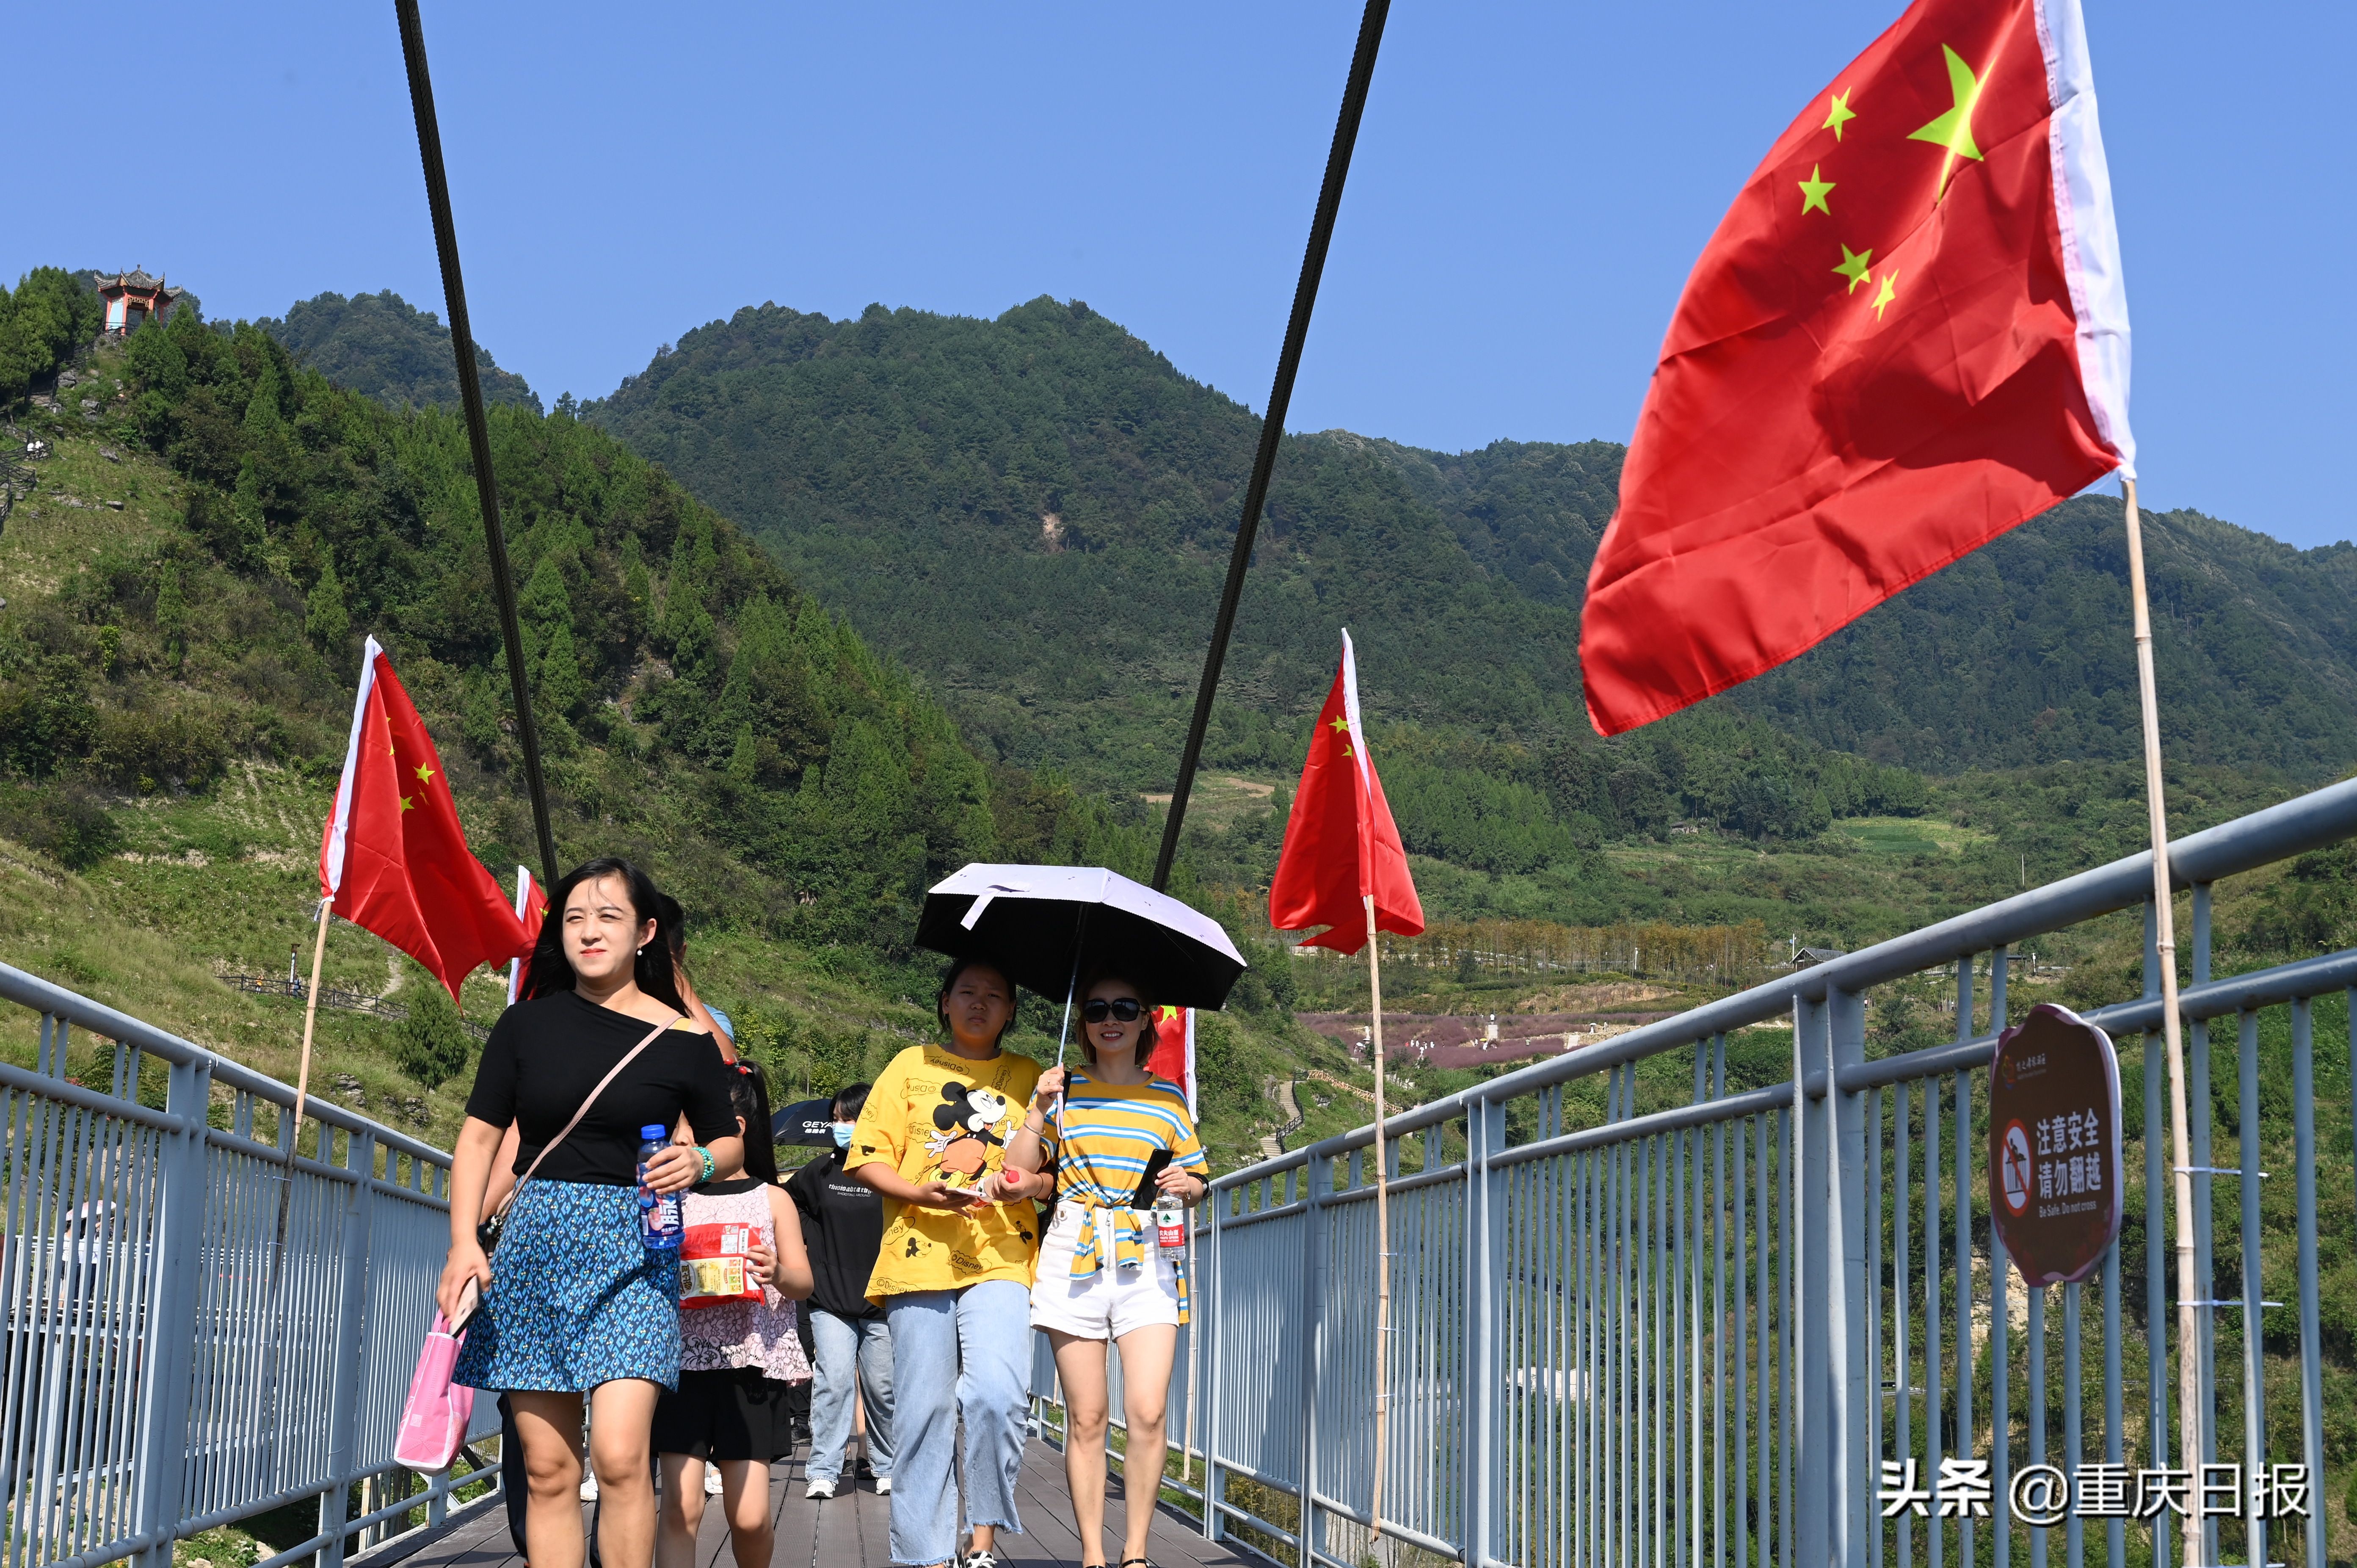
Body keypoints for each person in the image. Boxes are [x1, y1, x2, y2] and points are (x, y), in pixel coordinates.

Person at [439, 858, 744, 1568]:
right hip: (534, 1250)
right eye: (574, 917)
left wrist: (700, 1162)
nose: (588, 930)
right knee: (547, 1468)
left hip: (636, 1250)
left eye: (608, 916)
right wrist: (462, 1242)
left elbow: (727, 1140)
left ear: (644, 932)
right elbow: (479, 1138)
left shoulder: (684, 1038)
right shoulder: (524, 1026)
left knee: (618, 1454)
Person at [846, 957, 1050, 1568]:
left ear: (1013, 1010)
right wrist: (919, 1193)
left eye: (995, 995)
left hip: (1002, 1256)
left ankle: (981, 1536)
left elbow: (1052, 1176)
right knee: (924, 1414)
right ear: (944, 1002)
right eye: (967, 992)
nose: (980, 1004)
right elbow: (866, 1157)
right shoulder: (911, 1066)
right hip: (919, 1255)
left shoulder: (1032, 1076)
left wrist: (1029, 1183)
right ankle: (926, 1557)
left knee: (998, 1396)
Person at [1003, 969, 1208, 1568]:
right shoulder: (1063, 1091)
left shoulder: (1168, 1098)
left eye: (1124, 1007)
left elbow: (1196, 1182)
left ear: (1147, 1019)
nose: (1109, 1019)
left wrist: (1185, 1185)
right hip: (1074, 1250)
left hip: (1147, 1251)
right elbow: (1018, 1174)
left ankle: (1136, 1551)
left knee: (1147, 1410)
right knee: (1087, 1416)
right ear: (1083, 1022)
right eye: (1096, 1009)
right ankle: (1094, 1553)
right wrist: (1038, 1109)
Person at [654, 1063, 814, 1568]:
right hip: (682, 1367)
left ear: (734, 1129)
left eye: (687, 1131)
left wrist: (776, 1271)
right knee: (680, 1510)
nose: (678, 1143)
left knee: (748, 1517)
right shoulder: (670, 1199)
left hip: (751, 1368)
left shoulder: (773, 1198)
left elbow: (804, 1281)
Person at [787, 1082, 895, 1501]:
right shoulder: (819, 1172)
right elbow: (787, 1203)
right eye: (836, 1119)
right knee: (832, 1383)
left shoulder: (891, 1171)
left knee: (882, 1388)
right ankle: (824, 1469)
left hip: (880, 1302)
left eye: (849, 1118)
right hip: (829, 1301)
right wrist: (801, 1248)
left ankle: (886, 1465)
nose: (841, 1126)